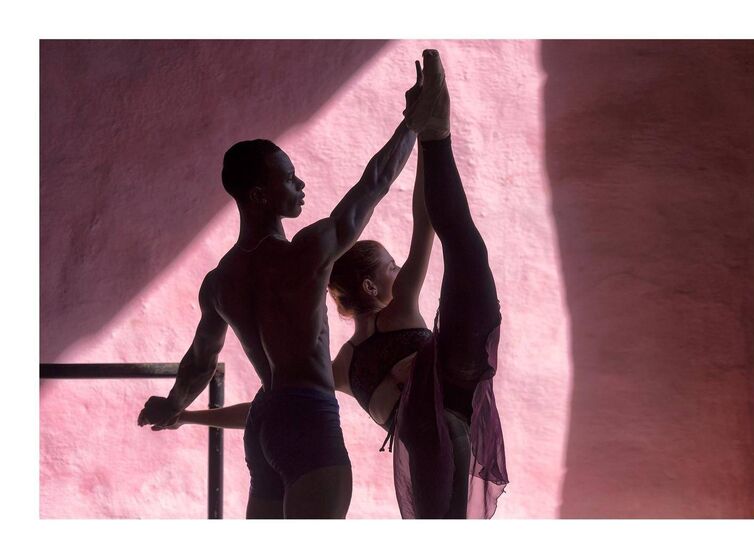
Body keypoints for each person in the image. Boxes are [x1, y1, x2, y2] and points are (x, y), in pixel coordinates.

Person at [167, 50, 508, 519]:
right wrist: (413, 123)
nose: (300, 184)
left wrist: (175, 408)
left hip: (265, 422)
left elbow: (198, 364)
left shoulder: (218, 282)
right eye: (289, 179)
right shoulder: (307, 253)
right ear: (260, 196)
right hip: (307, 420)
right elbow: (374, 183)